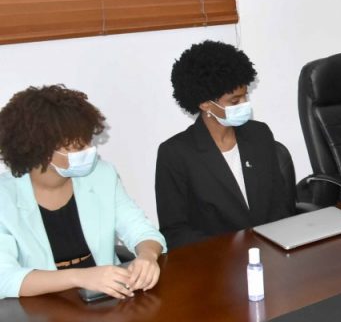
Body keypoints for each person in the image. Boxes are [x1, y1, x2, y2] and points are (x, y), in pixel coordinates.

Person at [0, 85, 165, 299]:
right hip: (39, 311)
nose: (89, 151)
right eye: (76, 147)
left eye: (87, 142)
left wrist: (147, 256)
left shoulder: (101, 175)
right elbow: (4, 279)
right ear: (42, 150)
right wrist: (79, 277)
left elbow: (141, 230)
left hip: (103, 300)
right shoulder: (5, 197)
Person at [155, 41, 293, 249]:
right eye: (235, 101)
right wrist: (231, 250)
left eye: (246, 95)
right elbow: (175, 231)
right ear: (205, 104)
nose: (245, 104)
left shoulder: (259, 134)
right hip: (216, 264)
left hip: (270, 252)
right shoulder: (175, 154)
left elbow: (280, 205)